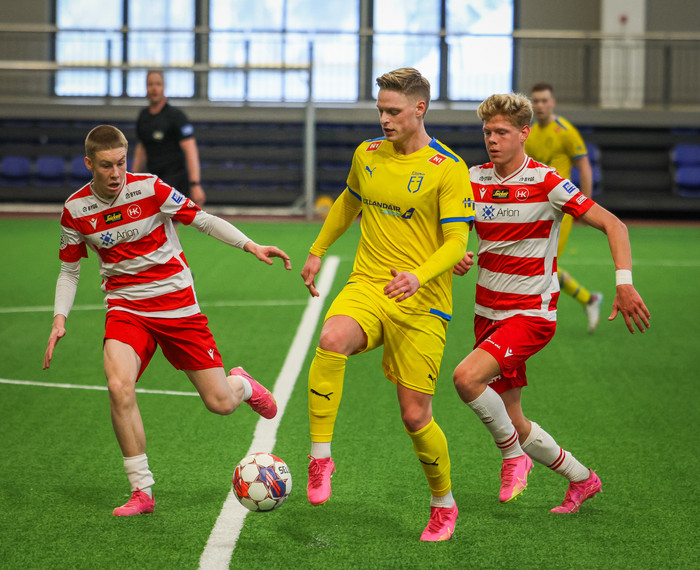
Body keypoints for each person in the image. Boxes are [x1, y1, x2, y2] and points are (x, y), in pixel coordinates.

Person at [43, 125, 292, 517]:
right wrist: (60, 319)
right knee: (118, 387)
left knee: (220, 403)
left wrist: (250, 245)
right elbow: (69, 271)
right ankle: (141, 490)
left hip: (177, 305)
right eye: (106, 165)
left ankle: (242, 385)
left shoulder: (150, 188)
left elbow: (203, 220)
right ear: (89, 163)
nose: (115, 173)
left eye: (121, 162)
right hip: (126, 308)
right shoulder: (76, 210)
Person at [452, 93, 650, 514]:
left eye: (501, 132)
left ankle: (512, 456)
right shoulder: (472, 179)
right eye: (487, 132)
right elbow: (453, 234)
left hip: (529, 315)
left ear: (524, 133)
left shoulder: (547, 182)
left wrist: (624, 283)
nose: (492, 140)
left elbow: (614, 224)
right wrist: (457, 255)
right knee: (513, 419)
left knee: (466, 379)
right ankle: (582, 479)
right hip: (486, 314)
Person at [300, 67, 475, 541]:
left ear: (420, 108)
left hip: (423, 301)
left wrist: (418, 276)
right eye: (380, 110)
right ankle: (320, 458)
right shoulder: (367, 154)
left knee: (415, 416)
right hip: (369, 284)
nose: (384, 119)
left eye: (393, 111)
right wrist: (317, 249)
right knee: (332, 337)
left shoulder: (448, 168)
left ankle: (443, 503)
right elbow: (348, 202)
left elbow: (457, 243)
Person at [524, 82, 602, 333]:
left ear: (553, 102)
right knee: (534, 264)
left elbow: (585, 168)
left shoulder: (566, 131)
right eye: (535, 101)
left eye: (544, 100)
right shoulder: (530, 133)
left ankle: (583, 301)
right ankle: (589, 299)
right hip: (535, 208)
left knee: (542, 265)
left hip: (560, 210)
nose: (540, 105)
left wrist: (585, 208)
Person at [132, 70, 206, 207]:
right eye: (150, 84)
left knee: (171, 218)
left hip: (175, 179)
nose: (154, 88)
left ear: (164, 87)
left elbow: (190, 149)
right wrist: (132, 179)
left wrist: (195, 183)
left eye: (158, 84)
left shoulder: (176, 116)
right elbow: (141, 149)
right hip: (153, 180)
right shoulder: (143, 117)